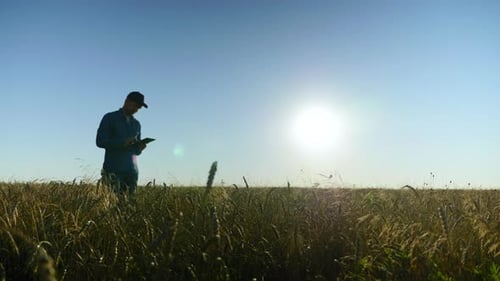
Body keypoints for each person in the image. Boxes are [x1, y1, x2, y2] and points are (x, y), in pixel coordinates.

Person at [96, 91, 149, 194]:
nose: (136, 109)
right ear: (127, 101)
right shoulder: (110, 118)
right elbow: (100, 141)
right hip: (113, 172)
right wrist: (122, 143)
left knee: (129, 207)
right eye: (135, 105)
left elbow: (135, 152)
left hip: (132, 173)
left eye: (139, 108)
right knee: (111, 206)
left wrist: (140, 148)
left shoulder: (136, 124)